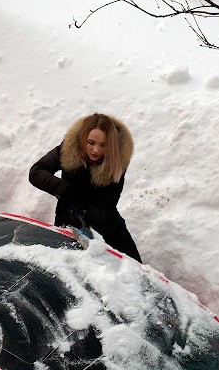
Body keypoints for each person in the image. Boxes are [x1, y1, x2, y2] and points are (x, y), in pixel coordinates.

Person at [28, 112, 140, 261]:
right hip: (68, 225)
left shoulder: (116, 161)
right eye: (91, 142)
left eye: (103, 145)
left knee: (133, 271)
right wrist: (63, 188)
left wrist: (85, 209)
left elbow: (108, 206)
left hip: (109, 229)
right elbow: (37, 171)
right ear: (82, 139)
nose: (96, 150)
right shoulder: (69, 149)